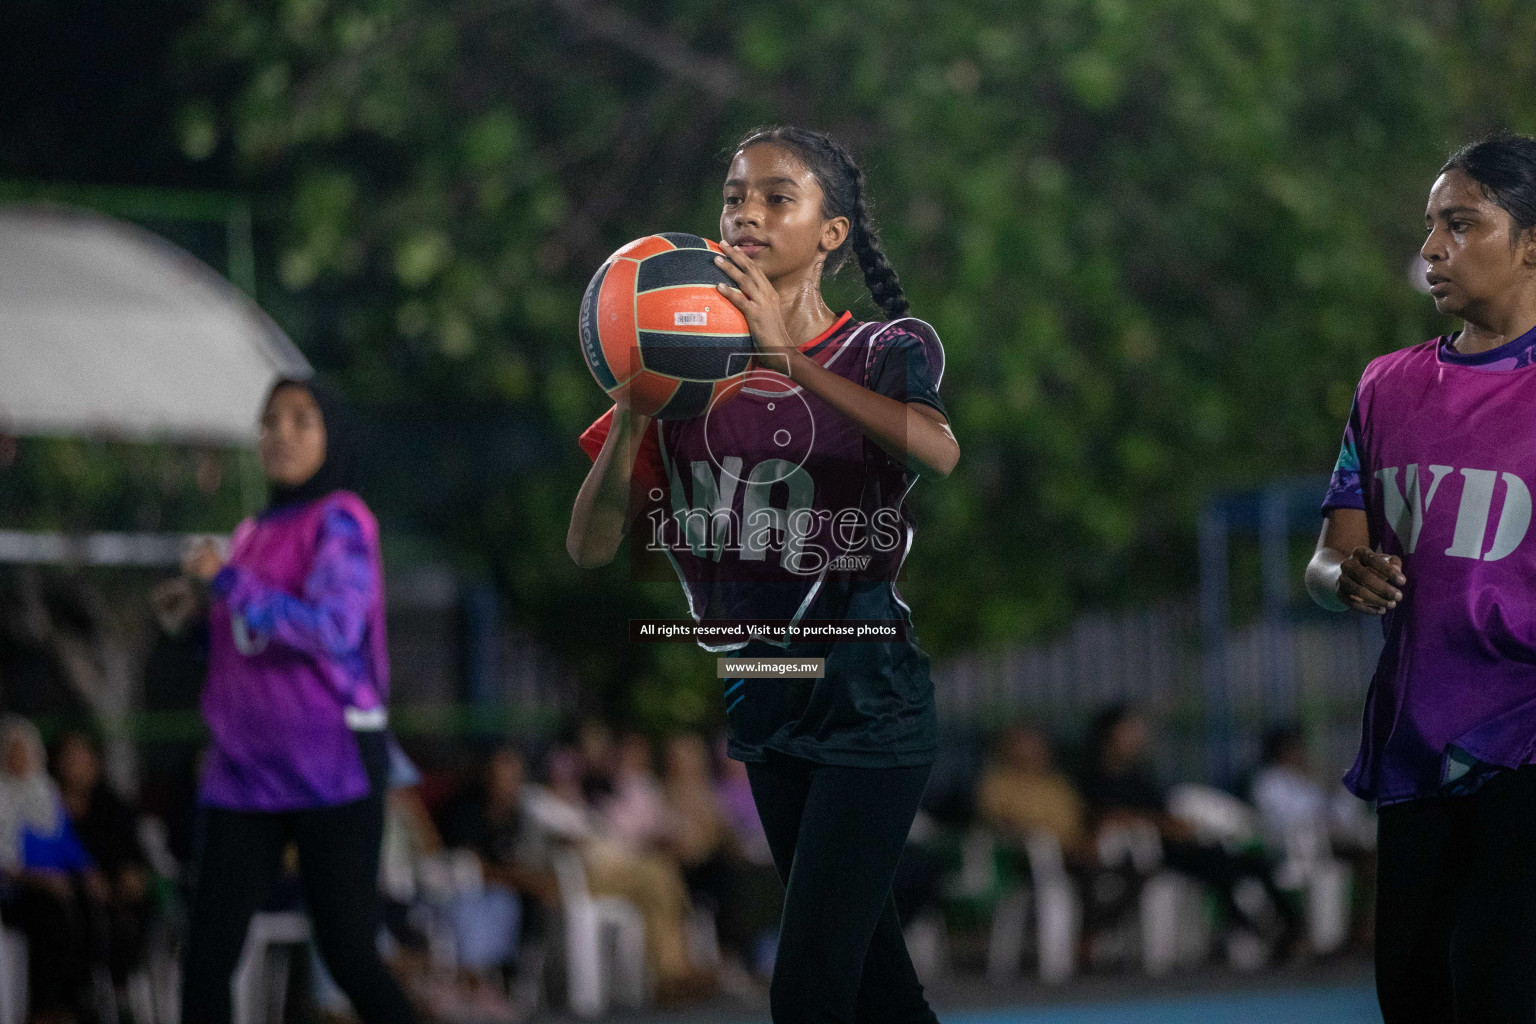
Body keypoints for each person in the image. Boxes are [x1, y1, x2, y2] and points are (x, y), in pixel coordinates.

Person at [569, 124, 959, 1023]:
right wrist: (631, 418)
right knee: (879, 990)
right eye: (735, 196)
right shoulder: (683, 379)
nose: (747, 213)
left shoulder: (882, 351)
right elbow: (590, 549)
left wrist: (790, 363)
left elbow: (939, 451)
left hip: (871, 706)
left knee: (809, 993)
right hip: (766, 706)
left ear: (832, 232)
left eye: (777, 197)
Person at [1304, 133, 1536, 1023]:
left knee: (1497, 987)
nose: (1432, 248)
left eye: (1461, 224)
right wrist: (1343, 577)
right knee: (1416, 997)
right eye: (1430, 226)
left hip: (1524, 739)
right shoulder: (1386, 387)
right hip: (1418, 743)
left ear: (1530, 242)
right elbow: (1329, 560)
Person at [177, 377, 416, 1024]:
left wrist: (225, 580)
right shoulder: (251, 530)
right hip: (244, 772)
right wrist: (197, 621)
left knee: (349, 959)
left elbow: (332, 629)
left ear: (330, 435)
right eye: (271, 420)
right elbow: (248, 649)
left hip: (330, 763)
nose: (281, 433)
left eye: (302, 420)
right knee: (203, 960)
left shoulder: (340, 519)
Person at [0, 717, 108, 1024]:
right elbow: (6, 863)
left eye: (24, 752)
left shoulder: (47, 794)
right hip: (20, 889)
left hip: (56, 884)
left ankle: (79, 1000)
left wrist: (90, 873)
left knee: (86, 905)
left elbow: (68, 844)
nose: (19, 760)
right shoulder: (2, 799)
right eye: (12, 752)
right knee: (50, 913)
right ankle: (46, 1006)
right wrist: (41, 880)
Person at [50, 730, 154, 995]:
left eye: (84, 758)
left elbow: (133, 856)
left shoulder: (112, 806)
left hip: (112, 897)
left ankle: (119, 993)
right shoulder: (45, 806)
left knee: (133, 913)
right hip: (61, 892)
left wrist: (127, 877)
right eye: (71, 758)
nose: (79, 767)